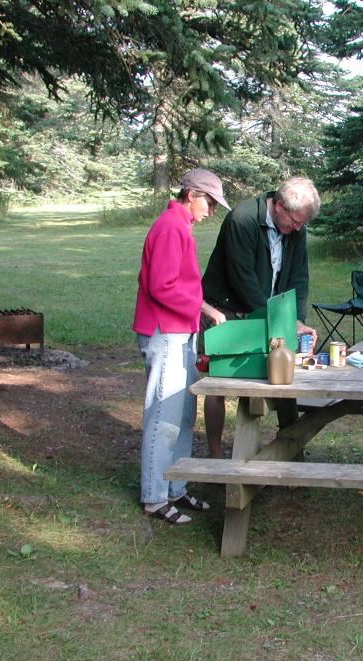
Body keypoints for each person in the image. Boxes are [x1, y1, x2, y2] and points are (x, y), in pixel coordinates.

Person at [133, 168, 231, 524]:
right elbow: (161, 286)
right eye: (209, 201)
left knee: (184, 415)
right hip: (165, 331)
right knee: (164, 416)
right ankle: (154, 497)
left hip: (181, 330)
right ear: (191, 194)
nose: (212, 210)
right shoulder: (170, 226)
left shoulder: (181, 226)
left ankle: (176, 487)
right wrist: (204, 308)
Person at [200, 176, 321, 458]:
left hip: (270, 308)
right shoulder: (241, 220)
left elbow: (298, 277)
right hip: (225, 309)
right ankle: (216, 455)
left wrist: (296, 318)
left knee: (282, 371)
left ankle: (291, 449)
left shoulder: (296, 227)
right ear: (278, 205)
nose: (298, 228)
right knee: (218, 382)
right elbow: (244, 280)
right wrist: (280, 320)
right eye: (294, 221)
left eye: (303, 223)